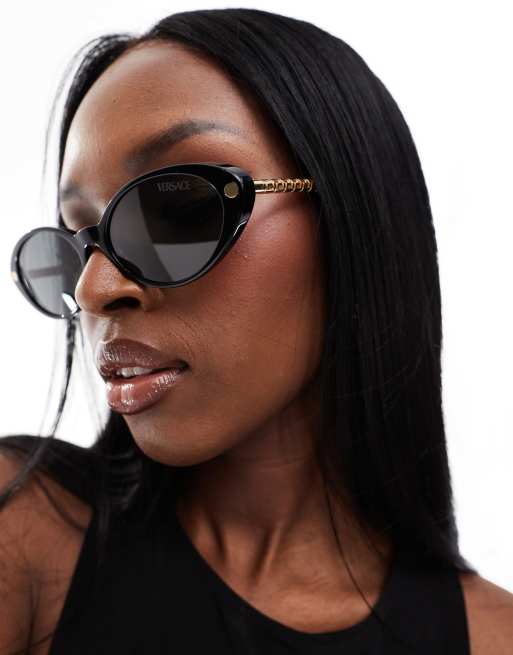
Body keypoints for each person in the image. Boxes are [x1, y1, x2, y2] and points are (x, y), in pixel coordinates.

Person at [2, 8, 512, 654]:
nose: (94, 289)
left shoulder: (491, 637)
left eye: (178, 209)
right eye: (77, 242)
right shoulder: (22, 528)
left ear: (351, 218)